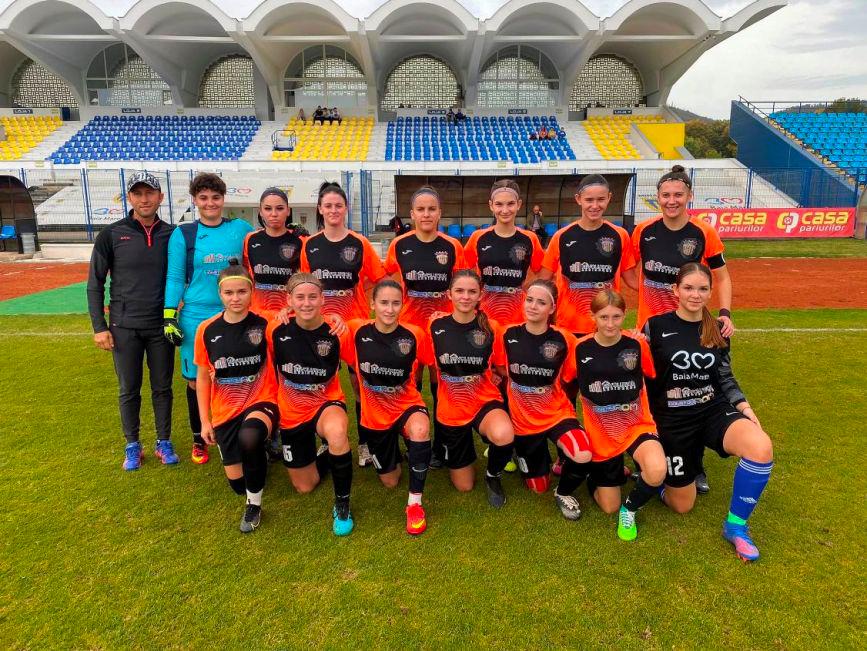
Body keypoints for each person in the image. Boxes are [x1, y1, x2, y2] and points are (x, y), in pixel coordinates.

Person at [645, 263, 773, 562]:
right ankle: (657, 475)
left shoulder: (717, 329)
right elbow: (642, 376)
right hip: (673, 419)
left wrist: (745, 408)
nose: (695, 294)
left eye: (703, 289)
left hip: (712, 410)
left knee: (760, 446)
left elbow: (724, 377)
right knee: (682, 505)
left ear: (710, 292)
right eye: (688, 287)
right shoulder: (655, 326)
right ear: (675, 290)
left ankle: (736, 527)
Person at [624, 164, 734, 493]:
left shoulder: (703, 232)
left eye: (678, 195)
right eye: (666, 195)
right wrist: (647, 292)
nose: (672, 200)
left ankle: (694, 466)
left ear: (689, 196)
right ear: (657, 197)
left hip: (691, 327)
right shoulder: (643, 231)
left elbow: (722, 277)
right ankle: (651, 459)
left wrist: (725, 313)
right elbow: (629, 272)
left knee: (695, 395)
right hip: (651, 330)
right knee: (652, 396)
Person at [87, 171, 177, 470]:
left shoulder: (172, 234)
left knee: (162, 387)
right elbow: (95, 283)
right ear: (129, 198)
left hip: (160, 326)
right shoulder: (111, 234)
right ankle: (132, 445)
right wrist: (99, 327)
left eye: (150, 193)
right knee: (129, 388)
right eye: (138, 193)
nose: (144, 199)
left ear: (160, 197)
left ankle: (163, 441)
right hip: (124, 326)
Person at [164, 172, 254, 465]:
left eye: (215, 197)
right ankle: (199, 438)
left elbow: (257, 262)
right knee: (196, 381)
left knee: (244, 375)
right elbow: (175, 277)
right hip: (196, 317)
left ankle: (254, 435)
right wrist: (169, 316)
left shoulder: (240, 229)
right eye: (203, 198)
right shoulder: (184, 234)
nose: (210, 203)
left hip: (236, 314)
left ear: (223, 199)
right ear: (195, 200)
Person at [564, 290, 667, 540]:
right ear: (593, 317)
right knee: (608, 506)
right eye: (604, 317)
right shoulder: (580, 348)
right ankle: (594, 473)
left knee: (656, 471)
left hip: (636, 425)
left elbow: (651, 376)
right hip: (601, 434)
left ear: (624, 315)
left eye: (616, 317)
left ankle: (629, 510)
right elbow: (566, 382)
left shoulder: (637, 344)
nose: (610, 324)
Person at [301, 181, 386, 467]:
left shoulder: (359, 243)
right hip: (320, 326)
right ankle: (328, 441)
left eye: (338, 205)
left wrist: (372, 308)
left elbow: (379, 279)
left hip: (355, 325)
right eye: (328, 205)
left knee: (360, 384)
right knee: (323, 383)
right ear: (320, 209)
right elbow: (305, 284)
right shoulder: (310, 245)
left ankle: (365, 443)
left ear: (346, 208)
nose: (333, 210)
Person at [492, 279, 592, 518]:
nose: (533, 306)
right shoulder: (507, 334)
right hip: (524, 423)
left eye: (541, 302)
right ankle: (530, 455)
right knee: (538, 488)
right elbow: (501, 368)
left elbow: (573, 373)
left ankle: (563, 492)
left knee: (583, 454)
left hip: (557, 414)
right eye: (529, 300)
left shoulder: (565, 339)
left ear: (552, 308)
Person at [267, 273, 355, 536]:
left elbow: (362, 352)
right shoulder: (275, 329)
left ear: (322, 299)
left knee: (337, 432)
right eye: (300, 297)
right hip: (292, 411)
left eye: (312, 297)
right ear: (289, 300)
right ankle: (329, 454)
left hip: (326, 403)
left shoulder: (337, 331)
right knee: (305, 486)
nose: (306, 303)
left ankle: (342, 504)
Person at [342, 280, 432, 535]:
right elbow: (317, 324)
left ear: (402, 305)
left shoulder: (414, 334)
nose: (389, 309)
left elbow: (435, 361)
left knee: (420, 430)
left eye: (395, 303)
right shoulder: (355, 330)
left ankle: (414, 504)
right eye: (383, 303)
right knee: (391, 481)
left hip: (407, 405)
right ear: (372, 304)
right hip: (375, 417)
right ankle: (399, 453)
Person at [419, 269, 515, 507]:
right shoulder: (434, 324)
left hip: (483, 400)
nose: (465, 296)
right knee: (464, 486)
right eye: (459, 291)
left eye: (472, 291)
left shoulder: (491, 327)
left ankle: (493, 475)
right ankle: (458, 451)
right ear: (449, 294)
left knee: (504, 434)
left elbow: (501, 367)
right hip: (451, 409)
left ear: (480, 295)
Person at [194, 263, 277, 533]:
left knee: (249, 437)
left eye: (242, 291)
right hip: (226, 410)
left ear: (252, 292)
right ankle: (260, 453)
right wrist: (205, 421)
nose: (235, 298)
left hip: (261, 400)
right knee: (238, 485)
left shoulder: (266, 322)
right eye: (229, 293)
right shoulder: (206, 329)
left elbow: (302, 319)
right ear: (220, 294)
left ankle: (254, 506)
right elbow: (202, 378)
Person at [539, 174, 635, 339]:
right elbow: (543, 280)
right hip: (568, 326)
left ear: (609, 198)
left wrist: (672, 286)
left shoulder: (620, 235)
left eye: (601, 199)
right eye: (589, 200)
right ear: (578, 199)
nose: (595, 205)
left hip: (605, 326)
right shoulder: (562, 236)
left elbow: (632, 280)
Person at [464, 179, 544, 326]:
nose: (505, 210)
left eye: (510, 204)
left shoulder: (530, 239)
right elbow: (465, 275)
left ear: (519, 204)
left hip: (518, 316)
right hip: (485, 315)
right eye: (499, 204)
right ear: (491, 205)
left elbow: (541, 276)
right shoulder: (478, 237)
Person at [242, 187, 303, 317]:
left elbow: (306, 280)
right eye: (268, 208)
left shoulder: (300, 241)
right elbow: (247, 275)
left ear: (288, 211)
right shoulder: (250, 239)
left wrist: (292, 307)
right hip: (258, 313)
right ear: (260, 212)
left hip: (289, 314)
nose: (274, 214)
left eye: (280, 208)